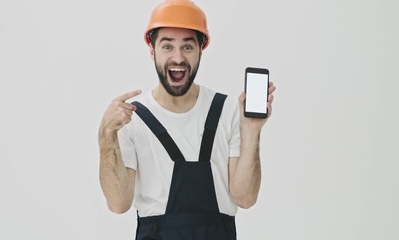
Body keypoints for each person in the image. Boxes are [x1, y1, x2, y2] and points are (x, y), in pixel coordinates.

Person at [98, 0, 276, 239]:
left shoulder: (227, 110)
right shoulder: (133, 118)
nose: (178, 58)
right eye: (167, 46)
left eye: (188, 47)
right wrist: (106, 136)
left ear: (201, 50)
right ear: (152, 50)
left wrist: (252, 130)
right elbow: (118, 204)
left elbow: (245, 198)